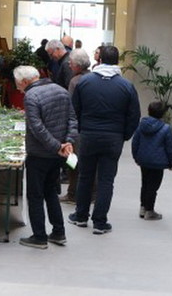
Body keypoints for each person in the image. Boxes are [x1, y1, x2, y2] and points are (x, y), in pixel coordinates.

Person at [68, 46, 140, 235]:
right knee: (106, 180)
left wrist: (81, 131)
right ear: (118, 61)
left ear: (99, 60)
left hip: (89, 136)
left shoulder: (85, 82)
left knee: (85, 176)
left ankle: (81, 216)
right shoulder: (126, 86)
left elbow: (74, 111)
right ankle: (100, 222)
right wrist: (124, 135)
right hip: (113, 138)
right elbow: (134, 116)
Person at [15, 66, 77, 249]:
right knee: (51, 191)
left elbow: (37, 128)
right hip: (58, 154)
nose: (18, 88)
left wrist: (57, 147)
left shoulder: (31, 96)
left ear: (25, 81)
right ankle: (59, 232)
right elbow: (72, 119)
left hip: (40, 154)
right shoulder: (61, 90)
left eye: (18, 84)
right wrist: (68, 142)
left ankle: (39, 236)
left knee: (35, 195)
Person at [131, 101, 172, 221]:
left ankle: (143, 206)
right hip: (158, 162)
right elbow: (170, 148)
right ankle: (149, 210)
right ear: (162, 114)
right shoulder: (166, 128)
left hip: (143, 160)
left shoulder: (141, 125)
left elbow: (135, 142)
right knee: (153, 186)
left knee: (145, 183)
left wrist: (136, 156)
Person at [60, 48, 91, 204]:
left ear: (78, 65)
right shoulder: (93, 77)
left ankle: (72, 193)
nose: (69, 65)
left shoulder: (75, 81)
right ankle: (91, 195)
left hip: (76, 127)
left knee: (72, 161)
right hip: (90, 127)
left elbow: (70, 106)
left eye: (71, 63)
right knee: (90, 163)